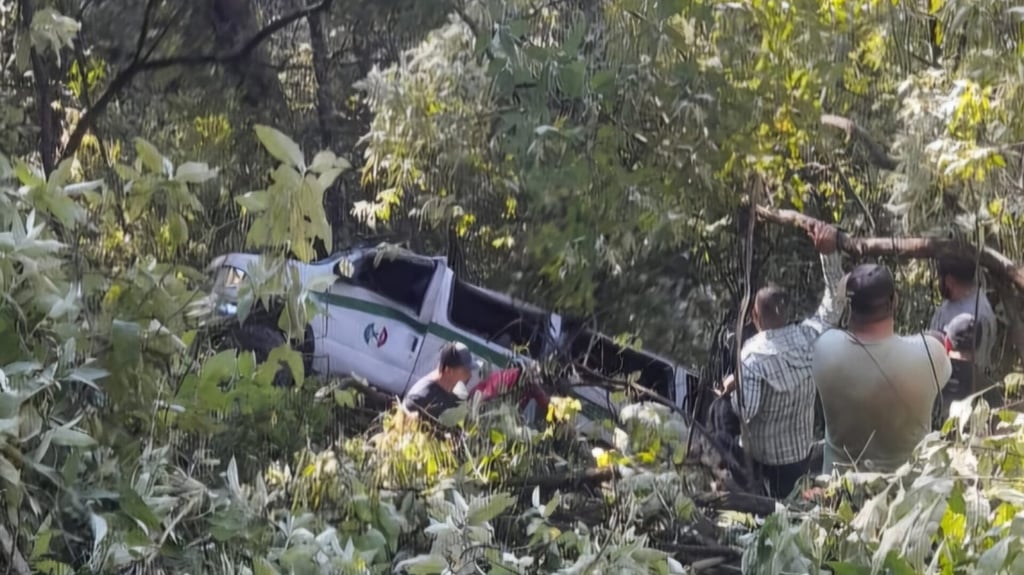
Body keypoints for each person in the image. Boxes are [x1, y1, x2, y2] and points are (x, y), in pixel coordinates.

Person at [718, 221, 846, 497]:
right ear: (787, 313)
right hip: (798, 456)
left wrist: (732, 388)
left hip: (763, 459)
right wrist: (828, 254)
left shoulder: (751, 356)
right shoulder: (812, 336)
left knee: (721, 414)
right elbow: (835, 302)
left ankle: (741, 486)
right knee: (789, 503)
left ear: (754, 316)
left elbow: (746, 411)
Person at [813, 263, 953, 474]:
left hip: (840, 492)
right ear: (894, 301)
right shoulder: (930, 353)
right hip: (907, 492)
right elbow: (941, 363)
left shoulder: (824, 348)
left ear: (850, 307)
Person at [929, 255, 997, 373]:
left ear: (949, 281)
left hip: (962, 385)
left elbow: (968, 366)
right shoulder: (953, 300)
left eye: (939, 277)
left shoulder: (977, 316)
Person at [402, 342, 475, 422]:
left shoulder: (448, 387)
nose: (469, 375)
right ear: (449, 371)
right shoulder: (419, 399)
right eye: (465, 371)